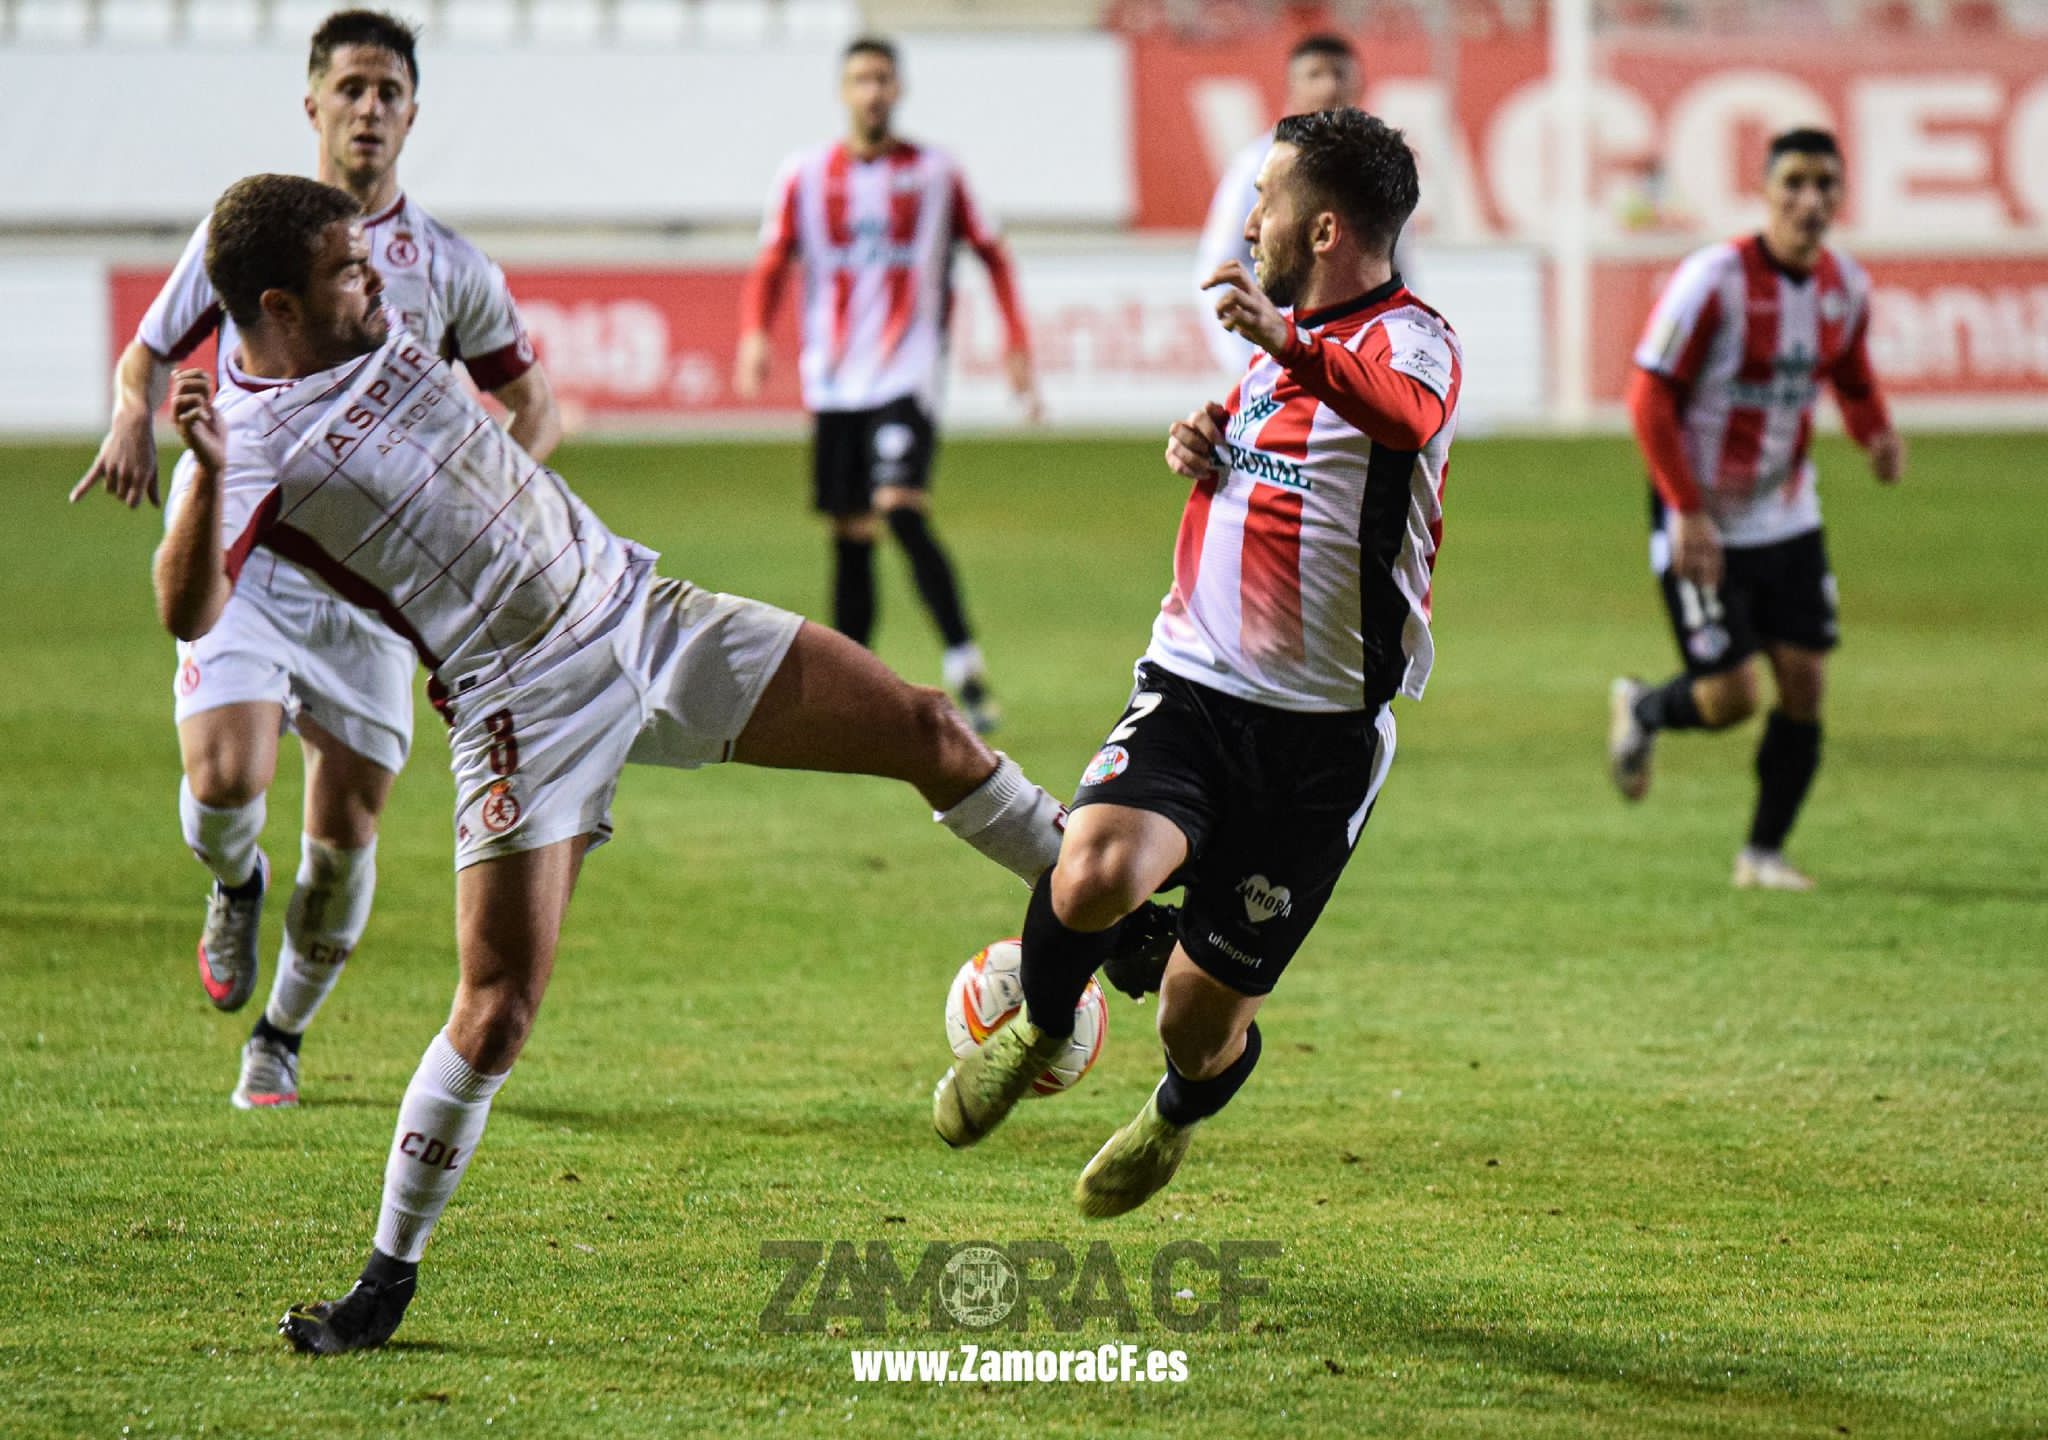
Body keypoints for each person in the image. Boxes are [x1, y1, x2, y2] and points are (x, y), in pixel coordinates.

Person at [132, 173, 1168, 1354]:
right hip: (522, 702)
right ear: (279, 304)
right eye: (346, 272)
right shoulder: (252, 437)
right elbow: (186, 604)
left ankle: (1122, 932)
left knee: (925, 727)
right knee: (496, 1010)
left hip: (641, 610)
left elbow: (513, 379)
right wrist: (204, 466)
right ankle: (383, 1283)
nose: (377, 282)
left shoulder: (389, 317)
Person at [932, 110, 1461, 1220]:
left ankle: (1171, 1113)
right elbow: (1255, 448)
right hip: (1194, 685)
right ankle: (1036, 1024)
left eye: (1265, 197)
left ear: (1320, 230)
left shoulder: (1409, 341)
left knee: (1195, 1017)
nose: (1248, 216)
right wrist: (1202, 443)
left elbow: (1403, 422)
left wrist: (1284, 345)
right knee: (1090, 876)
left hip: (1319, 737)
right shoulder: (1269, 361)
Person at [69, 9, 562, 1111]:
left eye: (389, 91)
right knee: (224, 779)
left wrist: (479, 518)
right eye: (350, 88)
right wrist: (127, 419)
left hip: (380, 590)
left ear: (413, 113)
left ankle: (280, 1036)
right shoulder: (252, 239)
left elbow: (534, 408)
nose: (369, 109)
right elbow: (145, 354)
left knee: (341, 844)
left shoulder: (446, 266)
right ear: (313, 106)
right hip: (252, 550)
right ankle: (233, 880)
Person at [1607, 127, 1904, 891]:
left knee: (1805, 684)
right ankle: (1644, 708)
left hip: (1787, 513)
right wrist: (1686, 509)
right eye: (1795, 183)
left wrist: (1875, 434)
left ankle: (1762, 854)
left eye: (1825, 185)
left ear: (1840, 196)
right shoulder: (1715, 279)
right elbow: (1648, 397)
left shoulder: (1846, 287)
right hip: (1699, 514)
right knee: (1733, 696)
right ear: (1767, 190)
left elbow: (1853, 375)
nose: (1810, 201)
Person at [732, 34, 1041, 735]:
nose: (872, 91)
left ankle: (964, 659)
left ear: (897, 90)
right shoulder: (805, 173)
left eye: (882, 79)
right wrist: (756, 333)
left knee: (899, 504)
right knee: (850, 530)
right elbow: (771, 258)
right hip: (835, 380)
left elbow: (993, 253)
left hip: (907, 372)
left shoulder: (937, 172)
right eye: (861, 79)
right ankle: (854, 689)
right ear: (844, 91)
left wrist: (1017, 344)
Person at [1195, 33, 1409, 377]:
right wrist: (1245, 357)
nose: (1329, 86)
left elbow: (1397, 266)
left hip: (1357, 358)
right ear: (1291, 87)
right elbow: (1217, 263)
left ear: (1358, 84)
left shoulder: (1378, 170)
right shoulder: (1256, 165)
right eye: (1315, 75)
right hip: (1279, 355)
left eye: (1339, 74)